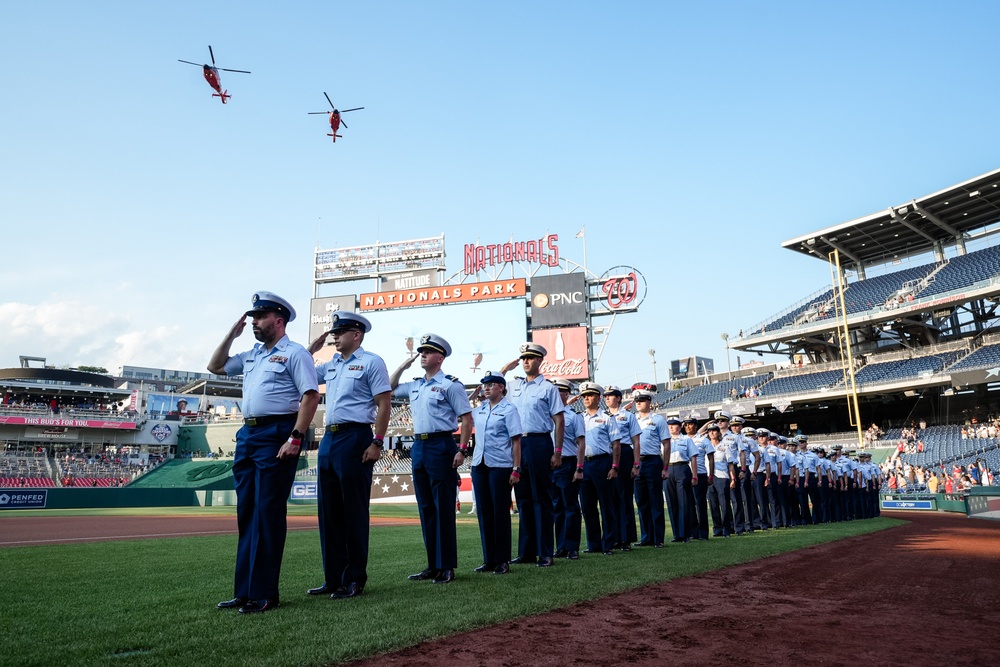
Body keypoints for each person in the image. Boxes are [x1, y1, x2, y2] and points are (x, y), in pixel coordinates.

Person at [207, 291, 320, 614]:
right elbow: (215, 366)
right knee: (247, 515)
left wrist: (295, 437)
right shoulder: (252, 354)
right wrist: (231, 335)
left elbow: (310, 397)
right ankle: (244, 591)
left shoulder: (296, 354)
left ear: (278, 320)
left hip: (277, 433)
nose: (254, 322)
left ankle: (266, 593)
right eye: (253, 317)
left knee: (268, 514)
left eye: (259, 317)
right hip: (249, 433)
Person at [306, 312, 391, 600]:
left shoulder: (371, 362)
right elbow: (302, 367)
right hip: (329, 437)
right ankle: (333, 578)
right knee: (328, 513)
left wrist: (377, 442)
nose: (334, 336)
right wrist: (312, 348)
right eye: (334, 332)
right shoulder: (331, 365)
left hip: (356, 437)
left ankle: (354, 578)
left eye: (340, 332)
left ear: (357, 335)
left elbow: (384, 403)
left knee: (352, 511)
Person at [390, 334, 473, 585]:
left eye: (428, 351)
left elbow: (466, 420)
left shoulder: (451, 385)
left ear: (440, 357)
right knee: (426, 507)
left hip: (441, 444)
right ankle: (432, 565)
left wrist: (461, 450)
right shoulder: (415, 385)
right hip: (419, 445)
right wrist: (403, 366)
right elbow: (390, 386)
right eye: (421, 351)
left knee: (443, 507)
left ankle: (446, 566)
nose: (423, 355)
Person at [499, 343, 565, 568]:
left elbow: (559, 420)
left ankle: (546, 552)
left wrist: (557, 451)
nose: (526, 361)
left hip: (539, 442)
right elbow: (491, 386)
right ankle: (526, 551)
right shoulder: (514, 385)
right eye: (524, 358)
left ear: (540, 361)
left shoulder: (548, 388)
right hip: (518, 443)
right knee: (523, 499)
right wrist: (504, 369)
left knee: (542, 499)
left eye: (531, 358)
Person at [468, 371, 522, 575]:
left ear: (501, 387)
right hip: (479, 464)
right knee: (484, 512)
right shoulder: (479, 410)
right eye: (484, 385)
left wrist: (516, 469)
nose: (486, 387)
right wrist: (474, 394)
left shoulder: (509, 410)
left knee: (500, 512)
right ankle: (488, 559)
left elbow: (516, 441)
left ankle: (502, 560)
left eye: (491, 384)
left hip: (500, 465)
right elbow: (462, 410)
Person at [578, 382, 621, 555]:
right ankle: (593, 543)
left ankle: (608, 543)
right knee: (587, 506)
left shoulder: (607, 418)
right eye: (584, 396)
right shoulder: (579, 418)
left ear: (598, 397)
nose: (585, 398)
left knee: (606, 504)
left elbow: (616, 444)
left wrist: (615, 466)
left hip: (602, 463)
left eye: (589, 395)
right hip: (584, 464)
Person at [550, 379, 586, 560]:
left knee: (570, 506)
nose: (556, 395)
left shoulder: (574, 416)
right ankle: (561, 546)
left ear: (567, 394)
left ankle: (572, 547)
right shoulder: (547, 414)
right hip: (551, 466)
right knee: (556, 507)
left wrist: (579, 468)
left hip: (568, 462)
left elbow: (581, 443)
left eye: (560, 392)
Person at [603, 385, 641, 550]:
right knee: (609, 499)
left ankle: (626, 538)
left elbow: (636, 441)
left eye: (610, 395)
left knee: (624, 497)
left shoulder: (627, 416)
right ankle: (613, 537)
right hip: (607, 454)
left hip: (625, 454)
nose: (607, 398)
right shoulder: (602, 416)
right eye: (605, 396)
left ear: (618, 398)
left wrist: (636, 464)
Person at [632, 390, 669, 547]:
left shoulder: (658, 420)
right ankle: (646, 537)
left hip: (653, 461)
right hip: (637, 463)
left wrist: (665, 467)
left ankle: (658, 538)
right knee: (641, 502)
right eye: (636, 400)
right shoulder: (632, 419)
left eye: (642, 399)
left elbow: (666, 444)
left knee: (655, 500)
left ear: (649, 402)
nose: (638, 402)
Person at [664, 417, 698, 542]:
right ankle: (676, 534)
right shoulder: (664, 440)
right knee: (671, 502)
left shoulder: (687, 440)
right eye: (669, 425)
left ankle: (685, 534)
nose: (671, 427)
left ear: (680, 427)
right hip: (668, 469)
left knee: (684, 502)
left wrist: (695, 476)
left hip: (682, 468)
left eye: (674, 425)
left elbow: (693, 458)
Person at [705, 423, 735, 537]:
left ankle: (727, 528)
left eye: (714, 431)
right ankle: (717, 529)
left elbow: (730, 464)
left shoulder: (724, 446)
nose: (712, 433)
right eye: (710, 431)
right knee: (713, 504)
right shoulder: (705, 446)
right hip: (709, 477)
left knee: (724, 503)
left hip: (722, 476)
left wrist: (733, 479)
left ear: (718, 433)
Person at [689, 416, 715, 540]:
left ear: (696, 425)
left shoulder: (703, 440)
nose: (688, 426)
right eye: (686, 424)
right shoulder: (682, 439)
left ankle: (703, 533)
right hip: (686, 474)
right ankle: (694, 532)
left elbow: (711, 459)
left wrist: (711, 475)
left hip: (700, 474)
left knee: (700, 504)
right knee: (689, 504)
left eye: (691, 424)